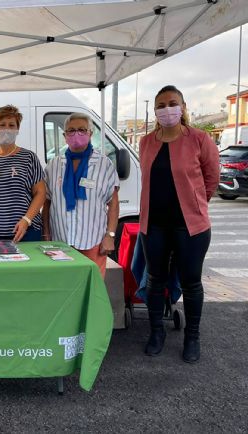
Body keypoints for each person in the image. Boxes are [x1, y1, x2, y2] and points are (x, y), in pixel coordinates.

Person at [139, 85, 219, 363]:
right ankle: (156, 332)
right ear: (155, 111)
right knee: (154, 280)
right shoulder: (146, 142)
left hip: (190, 227)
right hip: (155, 225)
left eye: (172, 103)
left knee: (191, 283)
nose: (166, 109)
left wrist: (195, 204)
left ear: (183, 107)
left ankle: (192, 337)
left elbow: (211, 179)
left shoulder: (199, 139)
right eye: (160, 105)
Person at [42, 113, 119, 277]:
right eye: (71, 131)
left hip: (93, 242)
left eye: (82, 130)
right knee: (64, 289)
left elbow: (113, 203)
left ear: (90, 133)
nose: (76, 134)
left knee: (92, 289)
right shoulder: (54, 165)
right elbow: (47, 203)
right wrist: (46, 234)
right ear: (64, 136)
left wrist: (110, 236)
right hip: (60, 242)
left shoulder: (104, 164)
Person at [0, 105, 45, 242]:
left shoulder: (29, 157)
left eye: (11, 125)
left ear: (17, 130)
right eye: (2, 125)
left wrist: (26, 220)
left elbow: (40, 192)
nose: (7, 129)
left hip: (26, 232)